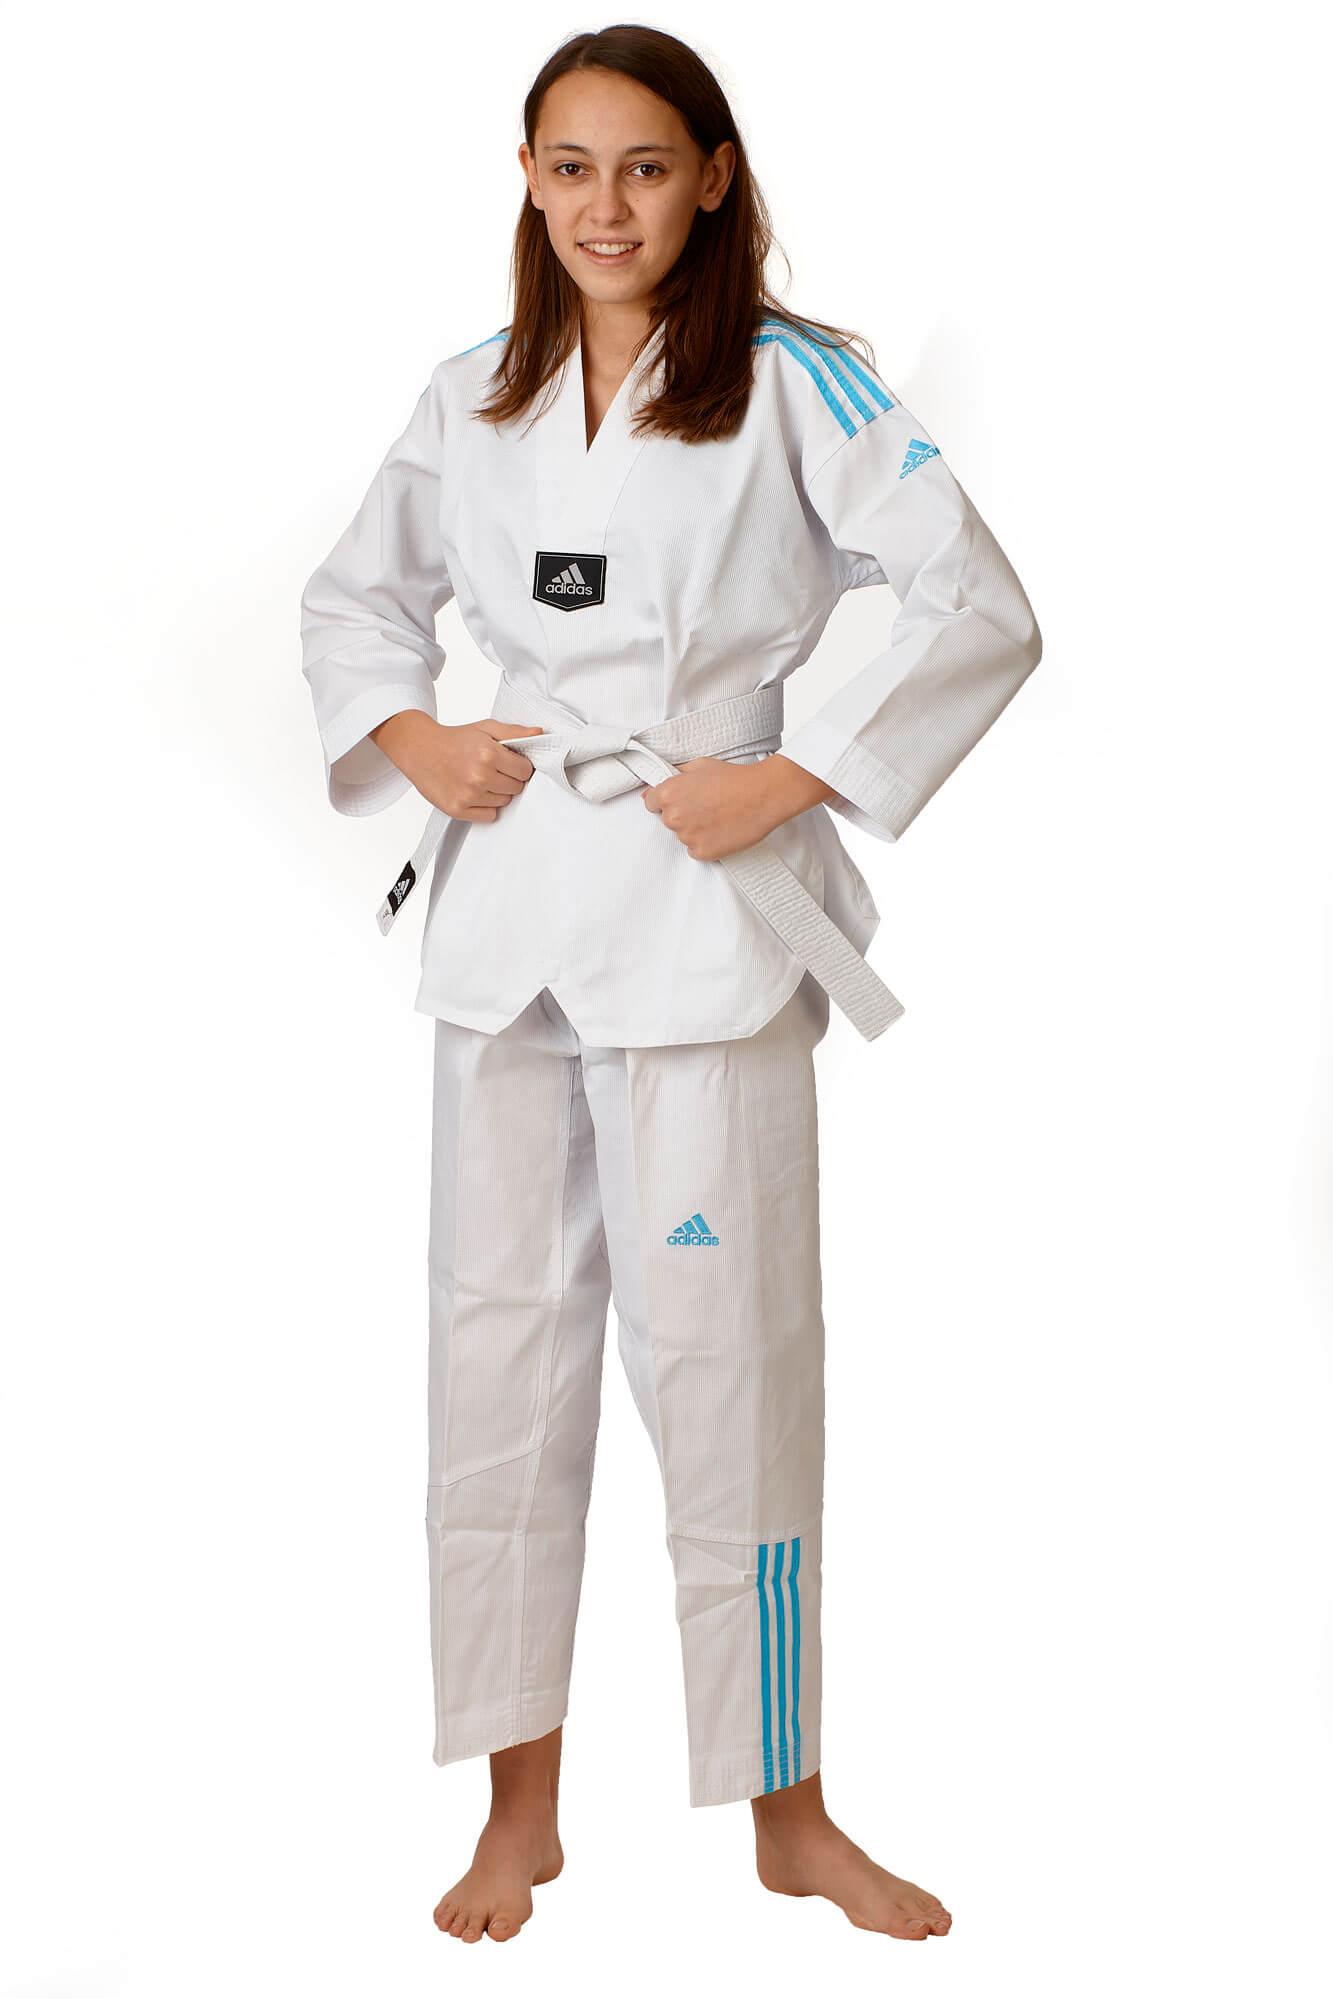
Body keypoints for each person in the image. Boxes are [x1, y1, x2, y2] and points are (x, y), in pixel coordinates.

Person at [299, 22, 1040, 1947]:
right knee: (494, 1363)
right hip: (507, 936)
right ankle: (516, 1809)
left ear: (712, 177)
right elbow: (353, 600)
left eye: (643, 166)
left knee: (731, 1373)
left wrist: (792, 776)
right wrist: (415, 733)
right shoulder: (472, 391)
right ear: (525, 182)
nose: (604, 206)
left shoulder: (795, 380)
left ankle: (789, 1811)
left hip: (703, 935)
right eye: (569, 167)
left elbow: (975, 600)